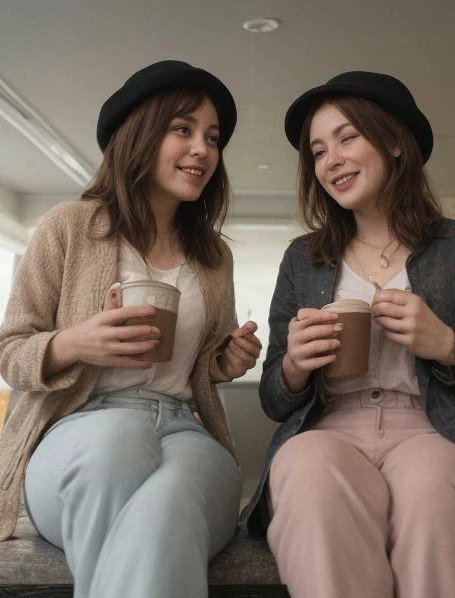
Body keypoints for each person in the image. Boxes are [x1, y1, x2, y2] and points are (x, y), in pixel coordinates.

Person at [243, 71, 455, 598]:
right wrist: (295, 366)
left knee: (435, 493)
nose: (331, 160)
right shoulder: (304, 257)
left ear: (393, 141)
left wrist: (444, 345)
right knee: (307, 469)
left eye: (347, 138)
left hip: (434, 430)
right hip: (328, 428)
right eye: (318, 151)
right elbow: (275, 397)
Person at [0, 60, 261, 598]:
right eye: (183, 129)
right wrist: (75, 343)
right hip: (80, 431)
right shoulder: (69, 227)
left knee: (170, 504)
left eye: (212, 138)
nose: (203, 150)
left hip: (185, 432)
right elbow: (10, 352)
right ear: (140, 135)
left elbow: (203, 361)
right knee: (121, 438)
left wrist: (226, 360)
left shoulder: (212, 257)